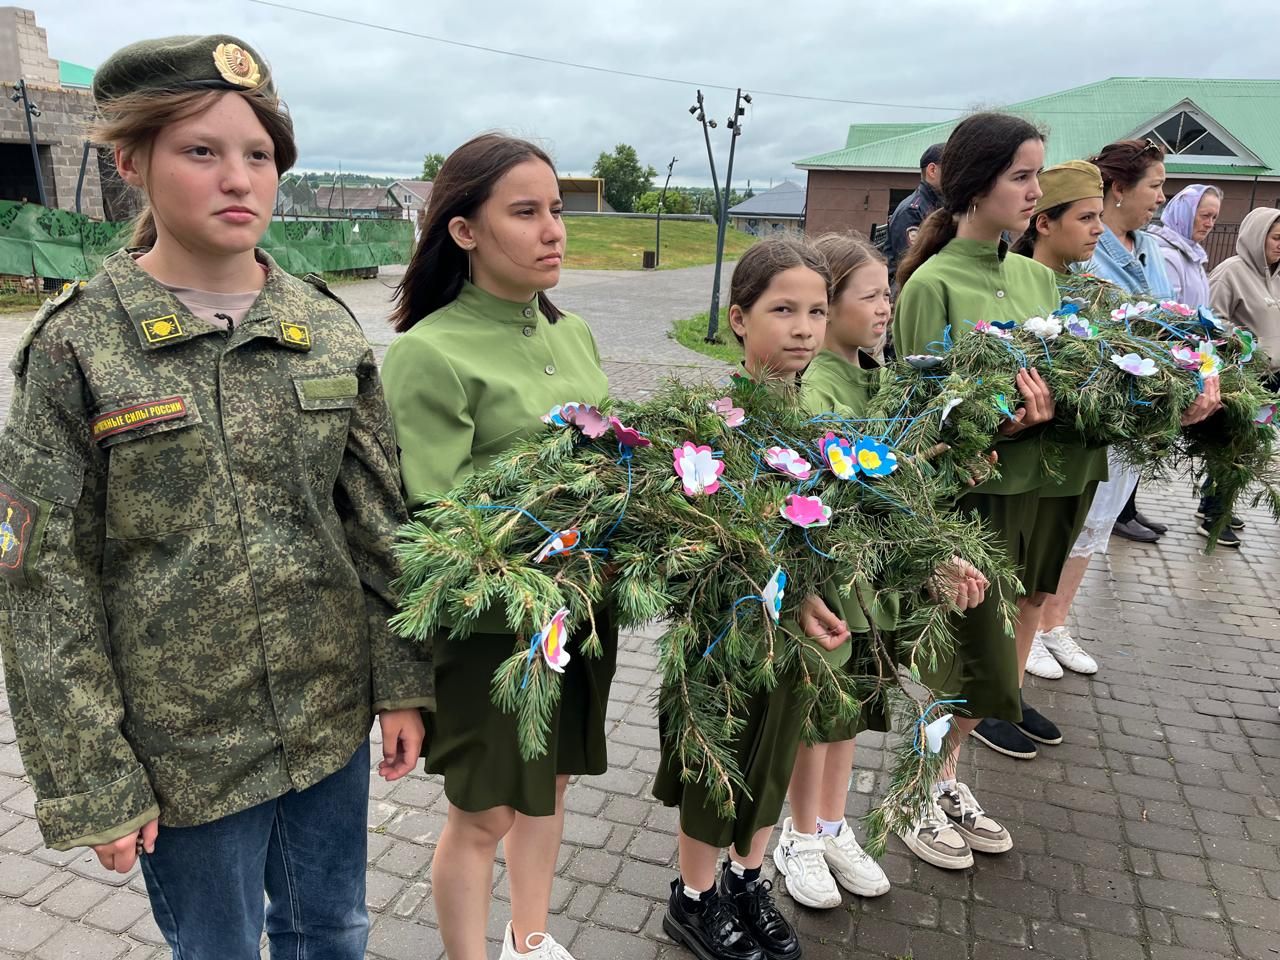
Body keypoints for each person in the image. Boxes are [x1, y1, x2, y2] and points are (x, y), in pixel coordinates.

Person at [0, 35, 431, 958]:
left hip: (325, 725)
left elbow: (379, 523)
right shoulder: (77, 348)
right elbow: (43, 584)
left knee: (336, 932)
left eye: (260, 155)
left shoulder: (322, 328)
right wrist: (92, 778)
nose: (240, 178)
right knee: (219, 949)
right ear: (131, 163)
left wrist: (402, 682)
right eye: (202, 151)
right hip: (179, 749)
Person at [381, 134, 616, 960]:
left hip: (580, 609)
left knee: (548, 790)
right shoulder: (429, 352)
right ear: (465, 231)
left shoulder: (572, 334)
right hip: (494, 631)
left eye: (555, 209)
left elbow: (609, 457)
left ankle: (530, 938)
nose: (554, 228)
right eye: (525, 212)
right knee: (485, 814)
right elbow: (436, 518)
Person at [772, 231, 986, 907]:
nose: (887, 305)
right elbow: (852, 495)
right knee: (818, 718)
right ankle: (798, 836)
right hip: (835, 584)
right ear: (827, 307)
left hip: (874, 586)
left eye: (888, 291)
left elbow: (899, 482)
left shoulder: (873, 376)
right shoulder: (819, 389)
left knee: (851, 716)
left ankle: (834, 827)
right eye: (871, 294)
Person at [656, 236, 854, 960]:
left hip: (797, 633)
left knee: (776, 750)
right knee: (718, 759)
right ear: (739, 319)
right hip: (723, 635)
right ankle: (695, 897)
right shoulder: (709, 423)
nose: (804, 328)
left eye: (817, 311)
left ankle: (747, 879)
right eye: (783, 309)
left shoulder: (822, 425)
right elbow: (701, 541)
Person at [892, 112, 1062, 866]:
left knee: (994, 658)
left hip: (1033, 492)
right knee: (955, 659)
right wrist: (998, 432)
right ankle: (913, 794)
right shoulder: (931, 284)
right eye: (1021, 176)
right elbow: (919, 419)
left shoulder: (1037, 277)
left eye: (1038, 175)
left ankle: (946, 776)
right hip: (965, 500)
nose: (1035, 192)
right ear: (974, 184)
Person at [1011, 162, 1219, 677]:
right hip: (1046, 447)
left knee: (1085, 528)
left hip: (1100, 439)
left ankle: (1050, 624)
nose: (1098, 228)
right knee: (1042, 538)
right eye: (1087, 216)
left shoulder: (1131, 260)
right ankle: (1024, 634)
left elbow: (1157, 321)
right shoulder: (1039, 285)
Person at [1087, 139, 1175, 544]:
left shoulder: (1150, 247)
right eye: (1154, 186)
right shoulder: (1085, 249)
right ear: (1119, 189)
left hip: (1134, 418)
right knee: (1076, 538)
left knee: (1098, 535)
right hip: (1096, 415)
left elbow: (1169, 314)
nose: (1161, 198)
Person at [1205, 205, 1280, 543]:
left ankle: (1218, 501)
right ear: (1257, 237)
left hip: (1271, 380)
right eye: (1276, 238)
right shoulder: (1230, 272)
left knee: (1248, 447)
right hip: (1243, 377)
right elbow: (1212, 321)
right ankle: (1213, 516)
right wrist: (1241, 346)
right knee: (1230, 445)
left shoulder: (1276, 276)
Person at [1149, 183, 1221, 309]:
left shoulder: (1194, 256)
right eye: (1205, 216)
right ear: (1184, 213)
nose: (1210, 224)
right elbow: (1167, 316)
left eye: (1214, 218)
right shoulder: (1166, 256)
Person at [885, 143, 945, 283]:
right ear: (932, 170)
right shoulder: (912, 211)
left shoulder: (936, 205)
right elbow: (913, 264)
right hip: (908, 287)